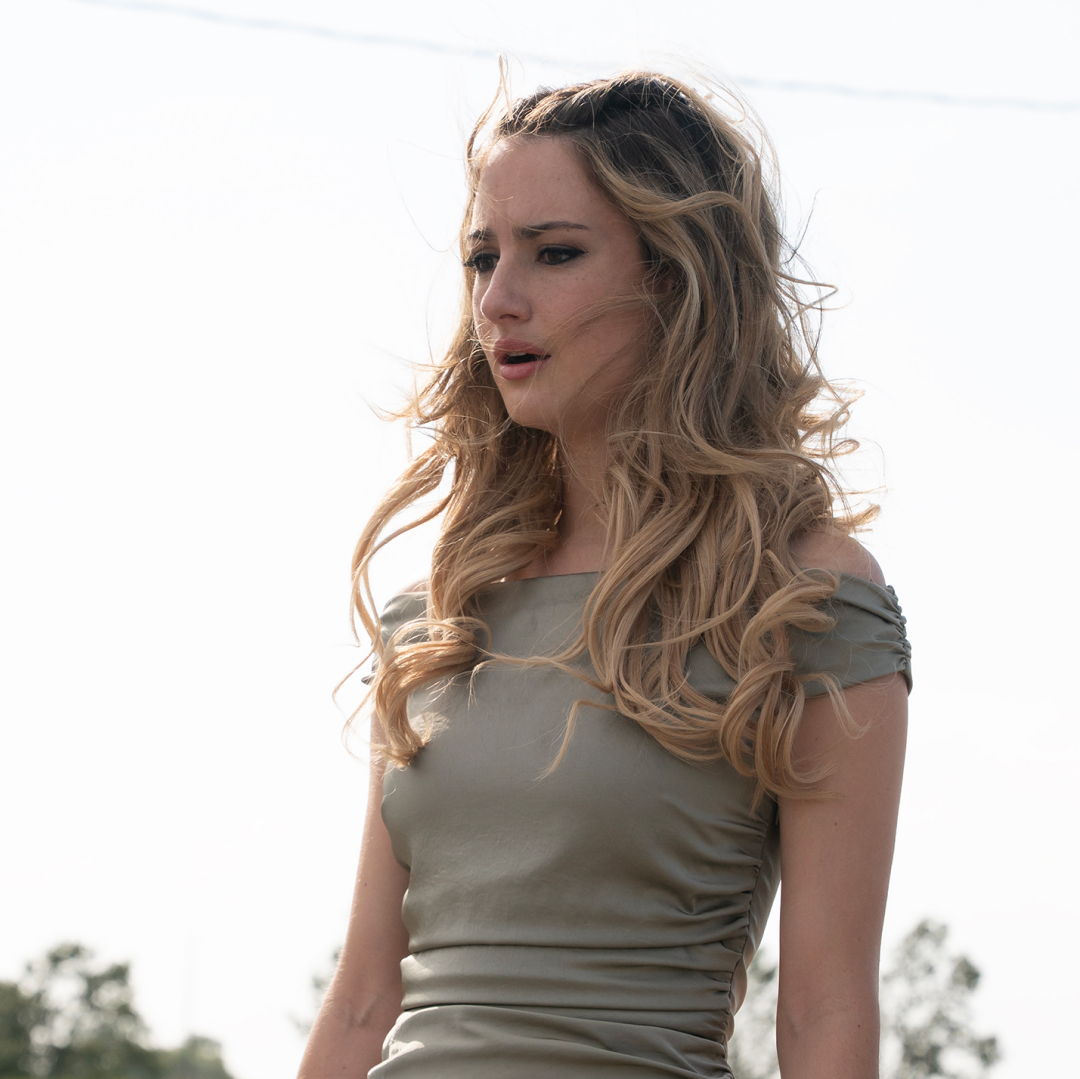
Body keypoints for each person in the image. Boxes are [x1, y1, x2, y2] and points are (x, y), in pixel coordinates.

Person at [298, 71, 911, 1079]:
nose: (498, 300)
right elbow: (365, 997)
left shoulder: (803, 599)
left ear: (676, 277)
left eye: (555, 253)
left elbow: (825, 1009)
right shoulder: (439, 614)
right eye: (483, 258)